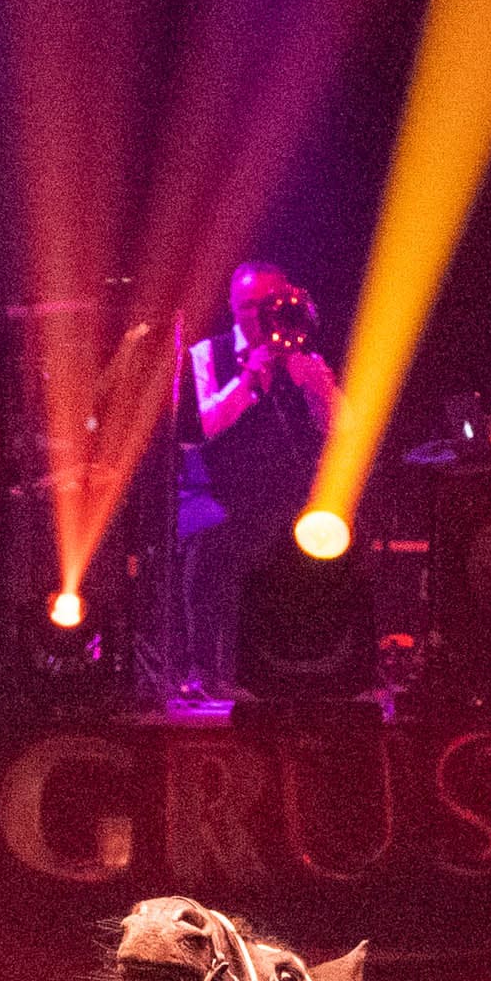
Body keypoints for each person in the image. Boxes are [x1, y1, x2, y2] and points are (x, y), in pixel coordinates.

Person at [176, 261, 334, 699]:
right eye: (248, 306)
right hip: (225, 493)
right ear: (232, 306)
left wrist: (318, 389)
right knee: (211, 553)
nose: (258, 315)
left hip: (290, 493)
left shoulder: (305, 356)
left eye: (270, 304)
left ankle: (317, 666)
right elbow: (208, 424)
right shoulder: (209, 353)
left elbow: (347, 432)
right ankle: (207, 671)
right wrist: (248, 378)